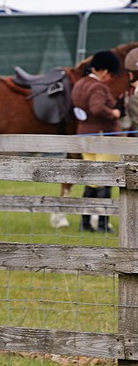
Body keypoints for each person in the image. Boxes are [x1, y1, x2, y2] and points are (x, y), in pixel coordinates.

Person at [71, 50, 122, 233]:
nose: (110, 79)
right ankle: (102, 223)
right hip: (103, 137)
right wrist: (114, 113)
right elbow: (97, 107)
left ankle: (85, 223)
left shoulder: (80, 84)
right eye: (110, 74)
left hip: (85, 135)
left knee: (91, 180)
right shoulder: (98, 87)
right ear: (103, 70)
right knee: (105, 179)